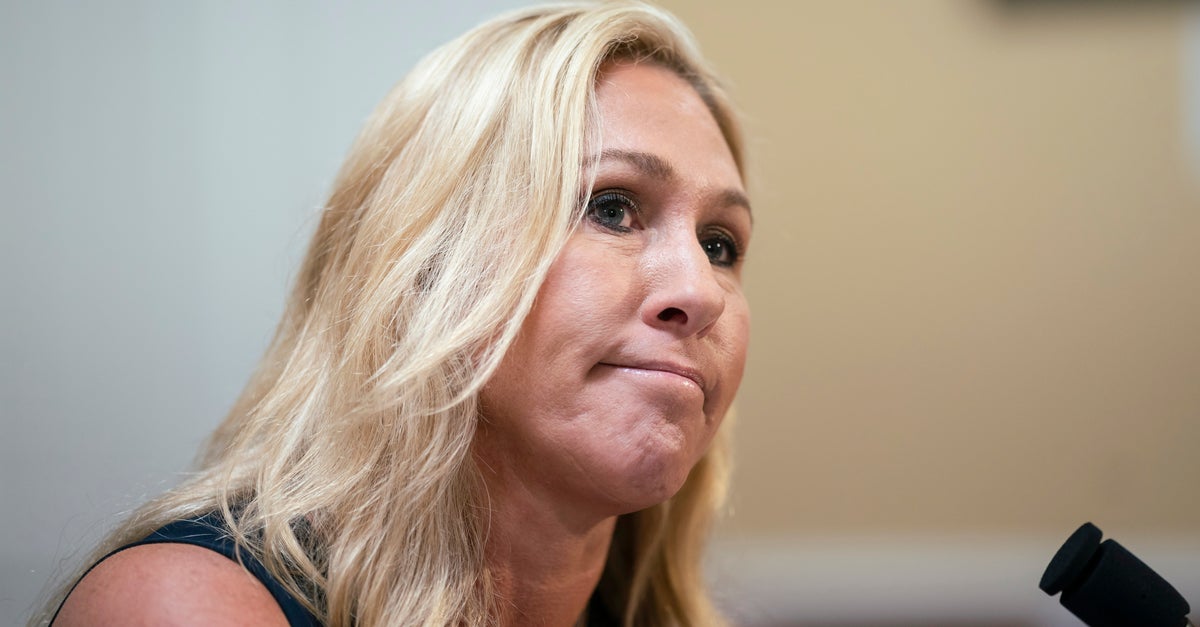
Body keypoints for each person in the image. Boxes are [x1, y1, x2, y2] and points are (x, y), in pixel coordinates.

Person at [41, 2, 751, 625]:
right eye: (611, 208)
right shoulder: (180, 605)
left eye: (719, 244)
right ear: (423, 266)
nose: (701, 291)